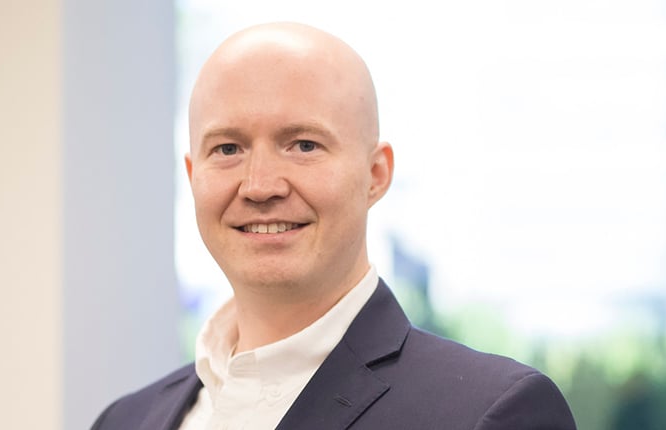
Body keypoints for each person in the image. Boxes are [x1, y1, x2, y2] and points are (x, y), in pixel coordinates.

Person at [92, 22, 577, 430]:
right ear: (193, 175)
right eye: (227, 149)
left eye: (303, 145)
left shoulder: (490, 413)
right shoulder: (125, 420)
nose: (260, 185)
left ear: (375, 175)